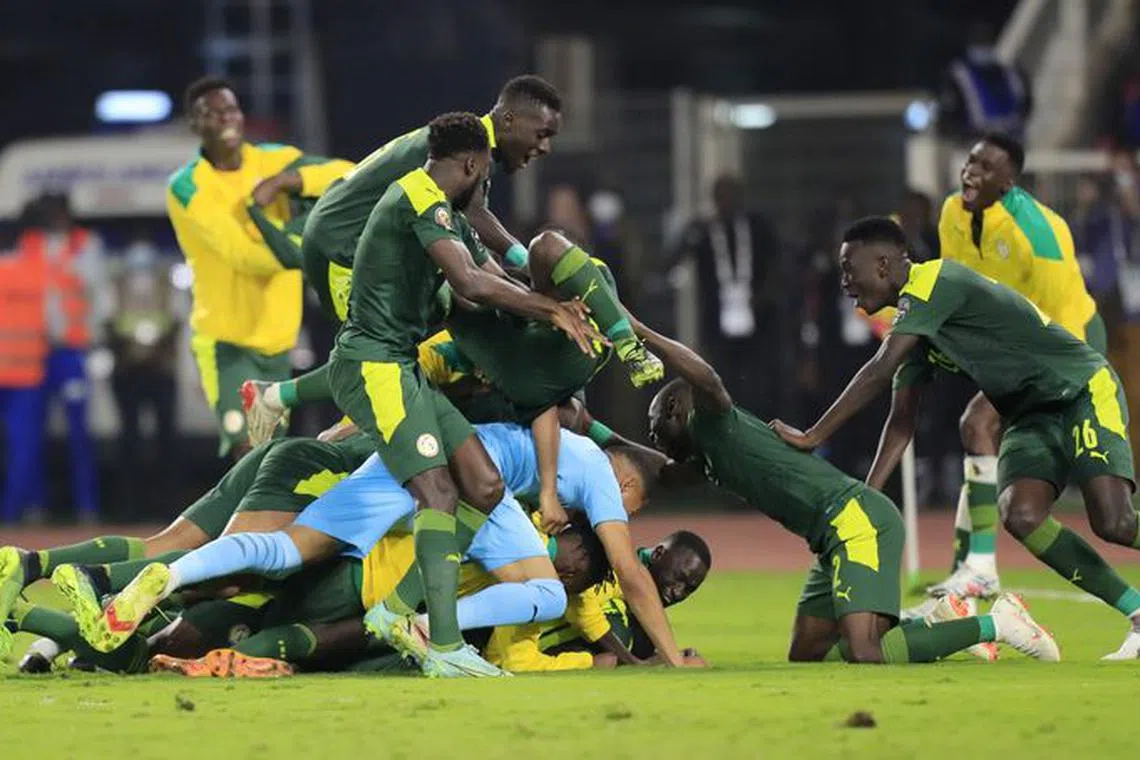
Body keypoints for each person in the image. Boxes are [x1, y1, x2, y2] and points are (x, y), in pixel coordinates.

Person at [771, 216, 1140, 660]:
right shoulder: (917, 329)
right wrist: (864, 500)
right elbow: (901, 422)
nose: (845, 282)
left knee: (1115, 522)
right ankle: (1137, 612)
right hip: (1029, 413)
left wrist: (814, 436)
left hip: (1080, 389)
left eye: (850, 269)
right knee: (1022, 515)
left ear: (884, 265)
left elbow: (878, 369)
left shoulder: (937, 281)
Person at [242, 75, 661, 442]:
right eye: (542, 134)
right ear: (509, 121)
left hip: (358, 241)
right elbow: (475, 239)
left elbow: (474, 237)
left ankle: (309, 410)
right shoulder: (465, 154)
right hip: (343, 250)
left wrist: (524, 280)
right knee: (382, 354)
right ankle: (308, 419)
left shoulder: (468, 149)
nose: (546, 147)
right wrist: (541, 299)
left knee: (444, 334)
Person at [635, 313, 1059, 663]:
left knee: (865, 651)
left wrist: (639, 329)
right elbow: (663, 471)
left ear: (675, 408)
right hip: (831, 537)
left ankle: (998, 624)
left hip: (855, 522)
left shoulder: (713, 422)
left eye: (655, 426)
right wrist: (589, 428)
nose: (654, 436)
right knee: (807, 654)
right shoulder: (708, 458)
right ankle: (939, 621)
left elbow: (706, 377)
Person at [922, 133, 1103, 603]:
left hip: (1068, 345)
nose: (970, 173)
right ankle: (974, 569)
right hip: (1009, 346)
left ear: (1008, 183)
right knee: (978, 431)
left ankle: (975, 569)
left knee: (1108, 507)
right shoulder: (951, 214)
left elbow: (1062, 322)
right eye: (969, 161)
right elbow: (955, 287)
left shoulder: (1040, 236)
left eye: (984, 168)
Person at [167, 76, 352, 459]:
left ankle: (258, 520)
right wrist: (303, 248)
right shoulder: (187, 186)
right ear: (194, 125)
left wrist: (288, 180)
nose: (225, 118)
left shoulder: (275, 159)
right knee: (249, 445)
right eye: (211, 113)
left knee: (270, 453)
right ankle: (245, 520)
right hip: (227, 343)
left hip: (279, 344)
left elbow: (350, 173)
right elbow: (243, 255)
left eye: (230, 109)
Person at [1, 192, 108, 524]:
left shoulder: (85, 244)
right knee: (32, 436)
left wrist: (96, 338)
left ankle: (86, 505)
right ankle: (35, 505)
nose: (53, 218)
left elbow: (98, 294)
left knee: (79, 434)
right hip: (37, 354)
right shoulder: (29, 244)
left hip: (72, 352)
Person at [673, 174, 780, 417]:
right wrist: (689, 232)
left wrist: (762, 296)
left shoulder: (758, 227)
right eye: (720, 197)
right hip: (716, 325)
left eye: (731, 195)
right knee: (721, 383)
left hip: (759, 323)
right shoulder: (704, 232)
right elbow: (671, 263)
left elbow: (777, 266)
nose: (726, 202)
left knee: (758, 389)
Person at [106, 236, 180, 515]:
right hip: (128, 373)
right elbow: (108, 323)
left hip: (160, 371)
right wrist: (128, 355)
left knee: (167, 440)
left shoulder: (166, 285)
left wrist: (156, 355)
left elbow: (177, 322)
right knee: (129, 439)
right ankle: (129, 506)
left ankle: (168, 505)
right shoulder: (117, 285)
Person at [938, 21, 1032, 142]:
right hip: (975, 140)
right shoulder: (958, 74)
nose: (983, 47)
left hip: (1011, 138)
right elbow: (950, 109)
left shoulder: (1011, 72)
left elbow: (1026, 103)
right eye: (979, 42)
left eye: (985, 42)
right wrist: (960, 133)